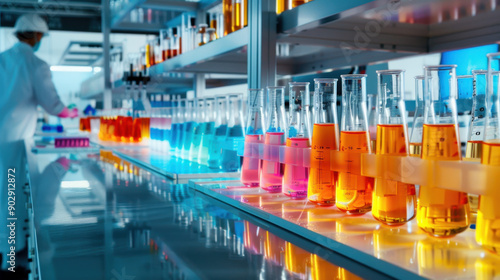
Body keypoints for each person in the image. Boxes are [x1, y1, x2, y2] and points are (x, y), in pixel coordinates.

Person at [0, 14, 77, 276]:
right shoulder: (35, 62)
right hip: (16, 143)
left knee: (5, 199)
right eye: (41, 37)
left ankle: (10, 254)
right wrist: (71, 112)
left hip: (2, 141)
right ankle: (10, 263)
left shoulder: (2, 59)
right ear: (35, 36)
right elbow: (52, 104)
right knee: (12, 199)